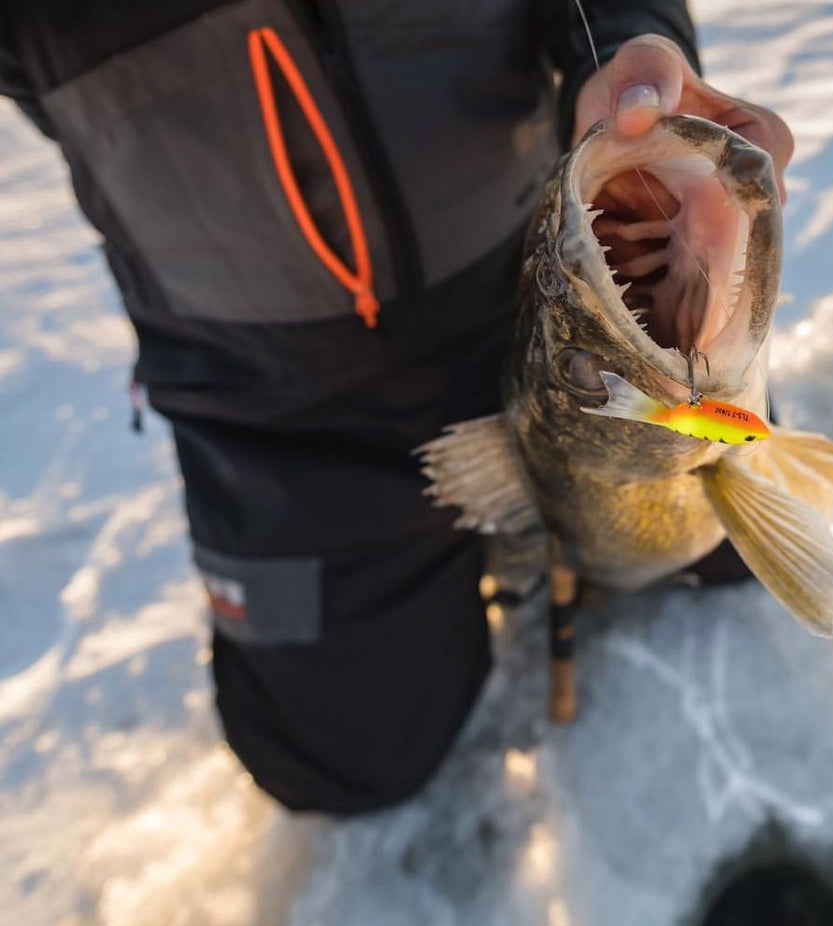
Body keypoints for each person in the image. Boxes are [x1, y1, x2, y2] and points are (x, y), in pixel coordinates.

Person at [0, 2, 792, 814]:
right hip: (271, 398)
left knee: (735, 553)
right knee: (340, 760)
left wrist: (623, 57)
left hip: (527, 287)